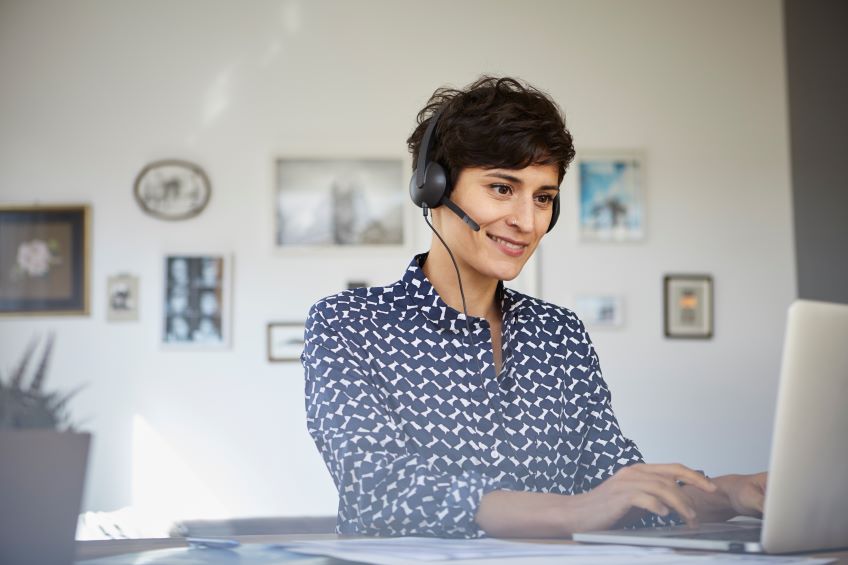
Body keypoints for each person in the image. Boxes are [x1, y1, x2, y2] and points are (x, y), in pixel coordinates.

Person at [302, 76, 766, 538]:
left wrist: (729, 494)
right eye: (502, 189)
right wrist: (572, 514)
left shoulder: (559, 334)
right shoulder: (349, 325)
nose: (526, 222)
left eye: (543, 198)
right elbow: (379, 489)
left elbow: (617, 485)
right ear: (433, 187)